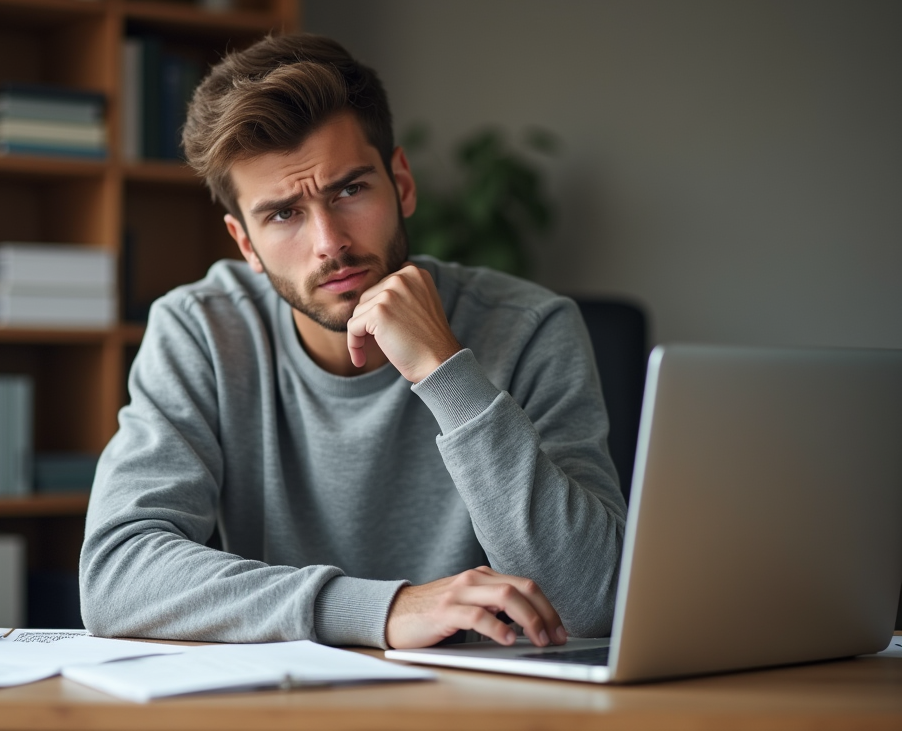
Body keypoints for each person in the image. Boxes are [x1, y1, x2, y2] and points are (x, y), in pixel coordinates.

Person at [80, 34, 626, 650]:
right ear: (244, 243)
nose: (329, 242)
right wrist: (384, 609)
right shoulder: (201, 330)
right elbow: (116, 575)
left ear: (402, 184)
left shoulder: (530, 328)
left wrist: (448, 376)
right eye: (283, 214)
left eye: (349, 190)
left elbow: (596, 600)